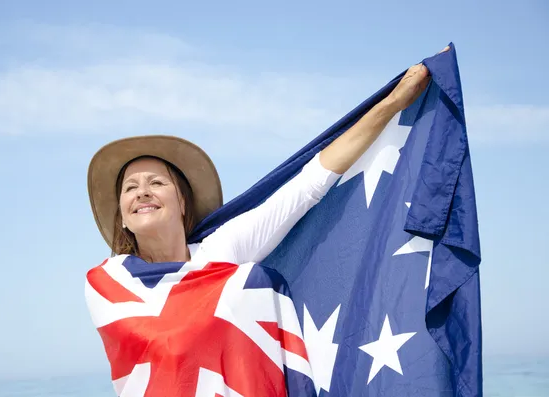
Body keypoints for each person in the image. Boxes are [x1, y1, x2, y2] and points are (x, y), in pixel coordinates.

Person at [85, 56, 441, 396]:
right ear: (123, 218)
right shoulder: (108, 284)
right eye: (130, 188)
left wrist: (393, 103)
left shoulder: (220, 252)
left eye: (157, 183)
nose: (143, 192)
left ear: (182, 203)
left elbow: (308, 186)